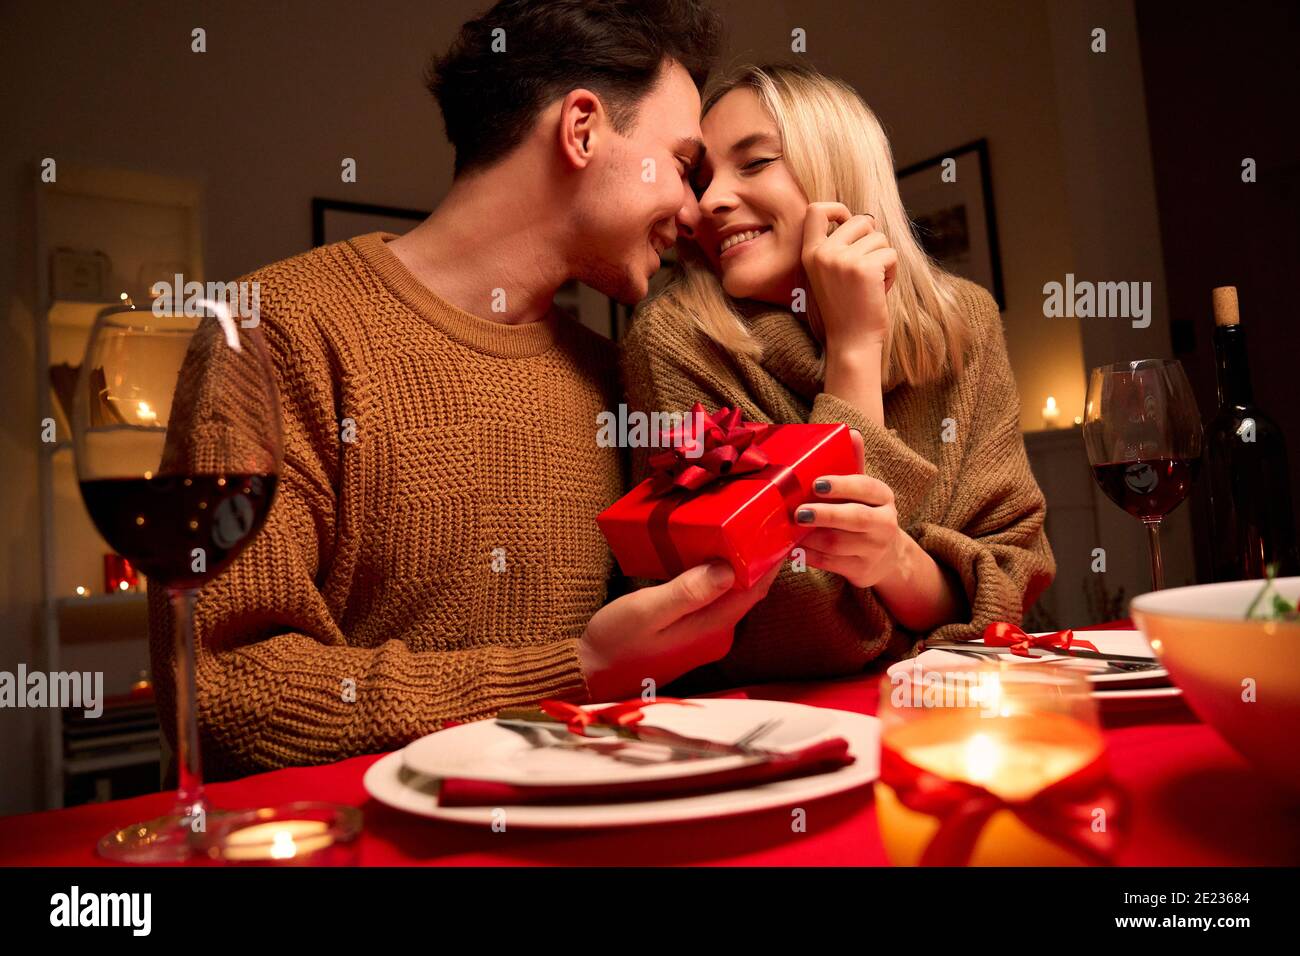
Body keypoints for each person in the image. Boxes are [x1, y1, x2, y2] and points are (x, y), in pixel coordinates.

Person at [148, 0, 786, 781]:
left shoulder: (621, 373)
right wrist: (577, 670)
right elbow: (223, 694)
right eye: (684, 166)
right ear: (582, 129)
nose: (692, 212)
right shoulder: (275, 329)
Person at [622, 63, 1055, 687]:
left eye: (754, 163)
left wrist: (895, 561)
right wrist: (854, 349)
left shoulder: (965, 322)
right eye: (702, 177)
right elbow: (798, 625)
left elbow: (1011, 583)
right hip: (774, 733)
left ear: (838, 170)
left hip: (959, 716)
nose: (709, 201)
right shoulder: (675, 338)